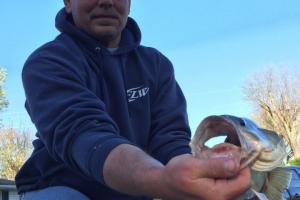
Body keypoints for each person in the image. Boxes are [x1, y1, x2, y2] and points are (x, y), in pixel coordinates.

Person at [15, 0, 251, 199]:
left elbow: (170, 139)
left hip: (136, 191)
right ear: (67, 2)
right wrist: (162, 179)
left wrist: (199, 169)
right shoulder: (47, 63)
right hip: (60, 188)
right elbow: (85, 136)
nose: (106, 1)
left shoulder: (156, 65)